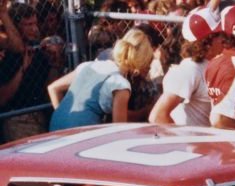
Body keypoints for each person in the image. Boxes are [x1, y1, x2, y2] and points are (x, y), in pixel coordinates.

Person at [48, 28, 153, 131]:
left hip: (55, 126)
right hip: (81, 133)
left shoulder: (87, 66)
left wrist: (64, 116)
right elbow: (119, 130)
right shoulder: (121, 85)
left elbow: (53, 88)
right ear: (140, 62)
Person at [149, 6, 222, 126]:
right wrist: (182, 140)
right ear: (207, 41)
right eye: (219, 34)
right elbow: (157, 116)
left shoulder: (205, 65)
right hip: (193, 143)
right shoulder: (190, 70)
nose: (223, 38)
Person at [0, 2, 53, 142]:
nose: (35, 29)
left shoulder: (38, 50)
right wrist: (22, 69)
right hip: (17, 117)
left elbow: (50, 87)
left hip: (41, 112)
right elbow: (3, 97)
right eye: (28, 25)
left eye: (35, 23)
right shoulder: (6, 56)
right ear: (16, 26)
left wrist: (55, 63)